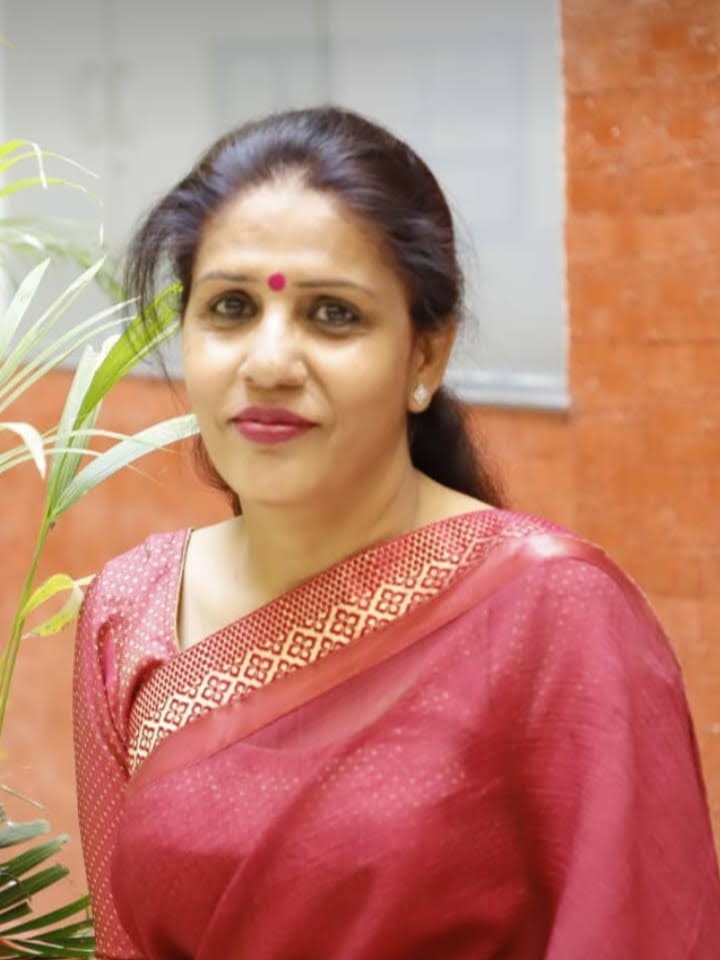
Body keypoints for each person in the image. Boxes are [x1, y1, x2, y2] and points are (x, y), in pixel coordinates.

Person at [73, 106, 720, 960]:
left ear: (425, 358)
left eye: (332, 314)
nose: (269, 362)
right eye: (231, 307)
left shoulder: (554, 615)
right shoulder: (129, 612)